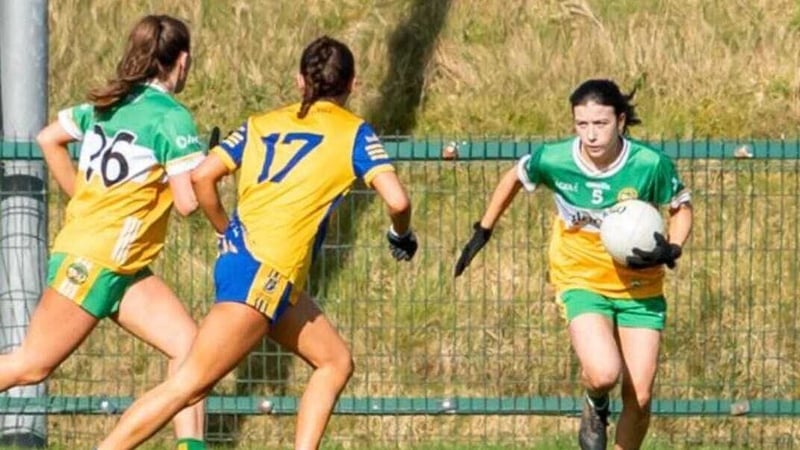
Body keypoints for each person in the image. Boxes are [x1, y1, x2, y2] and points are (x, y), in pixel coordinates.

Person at [96, 35, 418, 450]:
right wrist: (401, 234)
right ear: (353, 84)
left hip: (256, 268)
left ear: (300, 80)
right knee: (188, 386)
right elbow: (398, 200)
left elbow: (203, 176)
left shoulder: (260, 124)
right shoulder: (354, 133)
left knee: (335, 362)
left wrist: (223, 227)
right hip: (265, 274)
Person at [0, 14, 208, 450]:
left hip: (120, 261)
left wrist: (80, 195)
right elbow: (189, 203)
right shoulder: (171, 118)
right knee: (31, 365)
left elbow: (48, 138)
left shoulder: (108, 103)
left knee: (191, 350)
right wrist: (215, 172)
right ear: (182, 62)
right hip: (97, 259)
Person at [453, 79, 693, 450]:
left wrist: (672, 248)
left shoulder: (649, 164)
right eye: (582, 124)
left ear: (621, 121)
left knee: (641, 397)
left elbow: (681, 208)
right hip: (581, 278)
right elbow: (516, 176)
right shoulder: (556, 158)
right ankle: (595, 403)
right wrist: (483, 230)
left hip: (640, 286)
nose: (591, 134)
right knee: (602, 373)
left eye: (600, 124)